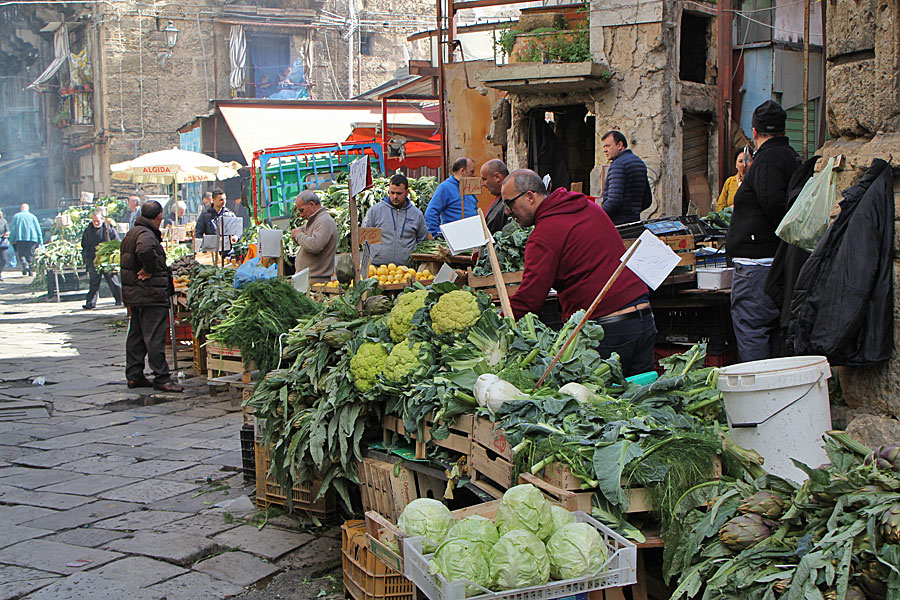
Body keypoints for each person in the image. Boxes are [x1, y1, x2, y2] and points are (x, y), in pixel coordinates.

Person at [503, 169, 655, 377]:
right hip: (643, 317)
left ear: (530, 196)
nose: (507, 212)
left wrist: (497, 325)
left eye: (509, 203)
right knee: (640, 391)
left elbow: (530, 298)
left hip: (606, 328)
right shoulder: (588, 207)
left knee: (598, 395)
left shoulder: (544, 235)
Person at [726, 99, 800, 362]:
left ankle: (758, 385)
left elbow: (773, 204)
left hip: (758, 265)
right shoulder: (790, 156)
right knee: (774, 335)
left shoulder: (768, 159)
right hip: (776, 261)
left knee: (753, 331)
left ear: (755, 131)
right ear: (783, 129)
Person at [120, 200, 183, 393]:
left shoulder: (133, 232)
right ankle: (162, 377)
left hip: (137, 293)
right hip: (150, 292)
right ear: (158, 217)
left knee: (137, 335)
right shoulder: (146, 234)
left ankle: (134, 375)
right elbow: (145, 250)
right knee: (154, 336)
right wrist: (150, 268)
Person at [361, 173, 428, 266]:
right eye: (392, 193)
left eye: (399, 193)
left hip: (407, 270)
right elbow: (365, 237)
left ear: (407, 192)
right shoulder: (375, 211)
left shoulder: (416, 214)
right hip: (378, 269)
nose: (395, 196)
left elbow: (422, 242)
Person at [599, 131, 653, 225]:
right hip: (634, 223)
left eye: (608, 146)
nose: (605, 150)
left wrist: (598, 215)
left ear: (620, 145)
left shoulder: (618, 165)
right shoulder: (639, 163)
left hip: (617, 225)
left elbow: (613, 201)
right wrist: (632, 212)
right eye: (604, 147)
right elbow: (647, 200)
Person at [424, 157, 478, 237]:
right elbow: (431, 213)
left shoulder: (468, 188)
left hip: (471, 236)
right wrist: (437, 234)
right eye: (472, 172)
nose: (474, 175)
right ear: (462, 171)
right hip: (453, 237)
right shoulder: (445, 188)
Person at [291, 190, 338, 283]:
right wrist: (297, 234)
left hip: (316, 281)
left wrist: (298, 235)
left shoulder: (324, 221)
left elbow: (315, 245)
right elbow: (302, 233)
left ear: (311, 204)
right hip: (308, 280)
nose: (301, 215)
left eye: (302, 210)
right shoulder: (315, 221)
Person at [81, 209, 123, 309]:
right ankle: (90, 303)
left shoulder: (108, 229)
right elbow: (84, 245)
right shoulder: (88, 230)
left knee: (113, 281)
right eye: (94, 221)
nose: (96, 223)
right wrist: (86, 258)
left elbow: (116, 241)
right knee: (94, 282)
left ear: (102, 219)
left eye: (98, 221)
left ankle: (119, 299)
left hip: (106, 259)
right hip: (93, 259)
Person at [8, 203, 43, 276]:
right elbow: (38, 229)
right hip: (32, 238)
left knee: (21, 254)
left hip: (20, 238)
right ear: (28, 209)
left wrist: (11, 240)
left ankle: (25, 265)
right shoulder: (33, 216)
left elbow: (13, 229)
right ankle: (31, 270)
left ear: (21, 208)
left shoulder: (16, 216)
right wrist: (40, 240)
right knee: (30, 254)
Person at [480, 158, 510, 234]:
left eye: (485, 179)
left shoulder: (511, 199)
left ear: (497, 177)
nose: (483, 184)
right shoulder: (501, 197)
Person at [0, 209, 9, 281]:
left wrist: (7, 233)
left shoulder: (3, 221)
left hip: (2, 242)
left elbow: (7, 230)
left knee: (4, 259)